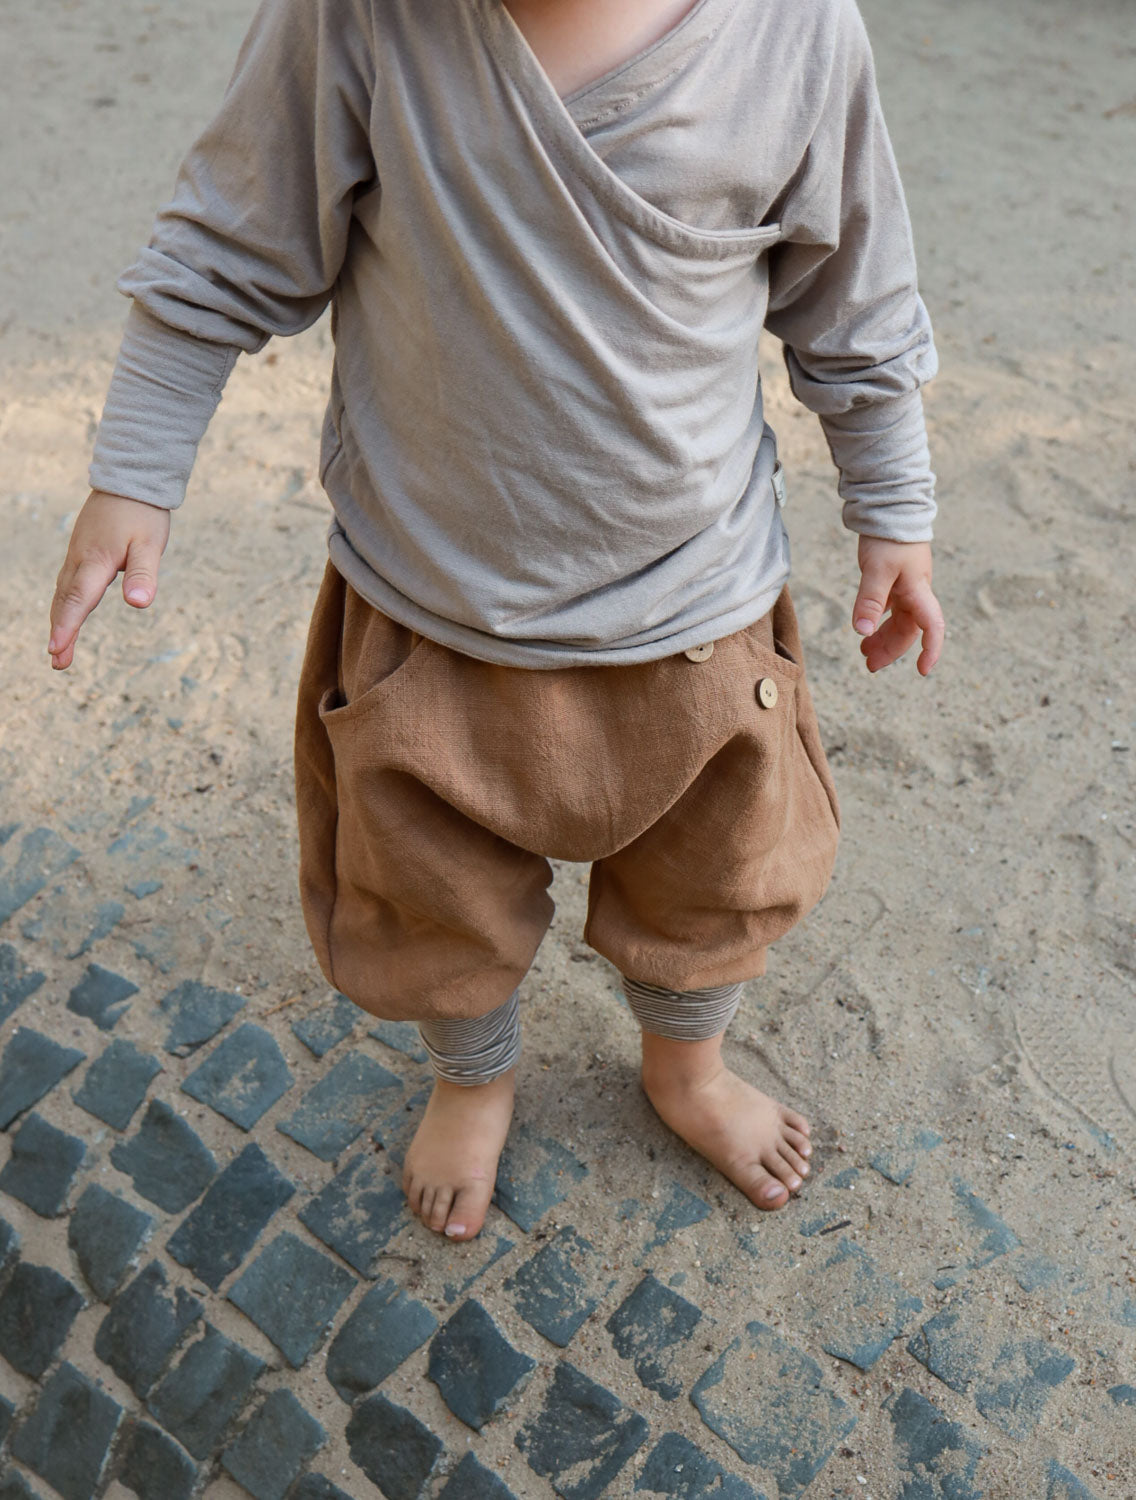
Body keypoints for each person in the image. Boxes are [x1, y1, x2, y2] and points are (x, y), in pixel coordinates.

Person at [48, 0, 945, 1243]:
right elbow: (225, 240)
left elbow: (854, 296)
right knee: (430, 889)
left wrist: (893, 515)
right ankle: (473, 1070)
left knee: (714, 877)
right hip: (431, 600)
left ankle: (684, 1065)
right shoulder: (360, 19)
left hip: (695, 602)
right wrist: (136, 471)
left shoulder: (794, 32)